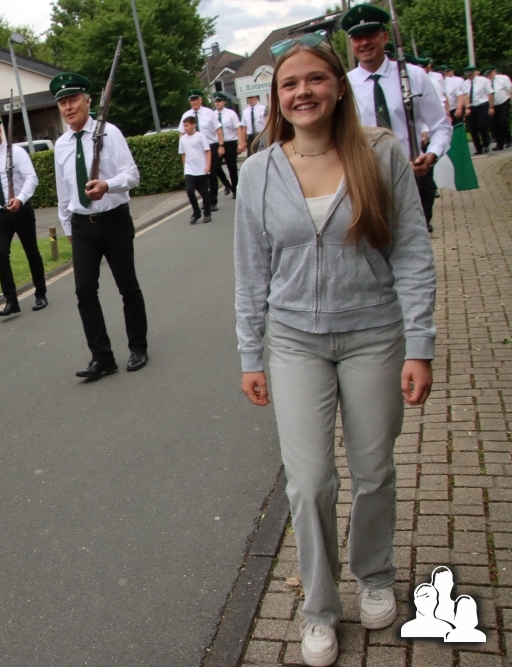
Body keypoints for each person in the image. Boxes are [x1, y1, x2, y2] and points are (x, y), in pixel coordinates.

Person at [234, 35, 436, 667]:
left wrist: (420, 344)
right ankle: (319, 607)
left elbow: (412, 252)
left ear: (339, 87)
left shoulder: (380, 153)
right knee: (310, 481)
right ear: (276, 96)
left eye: (316, 79)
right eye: (290, 83)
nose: (304, 92)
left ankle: (373, 574)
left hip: (375, 334)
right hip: (294, 341)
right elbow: (251, 272)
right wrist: (250, 355)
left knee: (374, 470)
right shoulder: (258, 172)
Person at [51, 72, 148, 379]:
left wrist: (108, 185)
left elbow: (132, 175)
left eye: (73, 100)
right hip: (82, 226)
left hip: (114, 220)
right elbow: (64, 191)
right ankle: (102, 357)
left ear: (88, 101)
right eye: (63, 103)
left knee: (127, 287)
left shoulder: (110, 133)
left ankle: (138, 347)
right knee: (84, 291)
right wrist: (67, 226)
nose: (68, 107)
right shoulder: (61, 145)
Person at [344, 4, 452, 234]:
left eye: (371, 35)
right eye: (358, 38)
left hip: (412, 177)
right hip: (368, 182)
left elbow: (441, 126)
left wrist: (432, 155)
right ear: (352, 44)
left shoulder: (413, 75)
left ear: (384, 37)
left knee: (415, 242)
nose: (364, 43)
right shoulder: (344, 85)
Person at [0, 115, 48, 316]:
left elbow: (31, 178)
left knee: (31, 252)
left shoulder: (16, 153)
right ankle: (11, 301)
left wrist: (20, 199)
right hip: (0, 215)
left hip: (21, 210)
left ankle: (40, 294)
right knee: (0, 255)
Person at [181, 90, 223, 211]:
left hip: (210, 146)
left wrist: (221, 145)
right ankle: (206, 199)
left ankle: (213, 201)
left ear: (200, 100)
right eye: (191, 100)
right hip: (195, 149)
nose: (193, 102)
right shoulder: (186, 115)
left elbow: (218, 129)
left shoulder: (209, 113)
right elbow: (182, 133)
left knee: (212, 175)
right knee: (197, 179)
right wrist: (183, 146)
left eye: (195, 99)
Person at [178, 116, 212, 224]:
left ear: (193, 125)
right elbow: (183, 154)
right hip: (190, 169)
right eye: (184, 126)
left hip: (201, 168)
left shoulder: (201, 136)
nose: (185, 128)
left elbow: (208, 151)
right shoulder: (182, 139)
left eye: (187, 125)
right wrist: (185, 168)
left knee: (204, 192)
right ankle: (196, 212)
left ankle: (207, 213)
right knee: (189, 190)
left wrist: (208, 165)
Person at [212, 92, 241, 198]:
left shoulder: (231, 113)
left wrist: (241, 143)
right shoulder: (212, 115)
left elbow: (238, 128)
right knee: (215, 166)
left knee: (232, 167)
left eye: (219, 101)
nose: (217, 103)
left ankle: (235, 189)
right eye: (215, 101)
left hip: (230, 143)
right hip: (218, 143)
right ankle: (226, 184)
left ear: (224, 102)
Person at [462, 65, 495, 155]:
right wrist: (467, 108)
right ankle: (478, 148)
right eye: (467, 74)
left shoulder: (483, 80)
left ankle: (486, 143)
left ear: (474, 72)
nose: (469, 76)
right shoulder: (465, 83)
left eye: (470, 74)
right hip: (471, 107)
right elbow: (466, 96)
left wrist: (491, 107)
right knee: (473, 128)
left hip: (482, 105)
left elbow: (490, 94)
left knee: (482, 125)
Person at [486, 66, 511, 150]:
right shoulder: (486, 82)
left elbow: (510, 90)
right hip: (493, 106)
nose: (489, 75)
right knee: (495, 125)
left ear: (495, 71)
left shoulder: (503, 78)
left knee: (503, 121)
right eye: (488, 74)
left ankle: (508, 139)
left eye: (490, 73)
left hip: (504, 103)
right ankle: (499, 144)